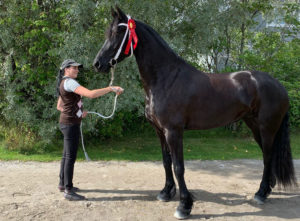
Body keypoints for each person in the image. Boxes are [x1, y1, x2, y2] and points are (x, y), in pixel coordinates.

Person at [56, 59, 123, 200]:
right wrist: (111, 88)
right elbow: (91, 94)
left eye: (77, 68)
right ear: (66, 69)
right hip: (70, 125)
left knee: (66, 155)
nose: (77, 70)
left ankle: (63, 184)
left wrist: (79, 112)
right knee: (70, 157)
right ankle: (68, 190)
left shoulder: (63, 83)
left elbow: (61, 106)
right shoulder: (70, 82)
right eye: (74, 68)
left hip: (66, 123)